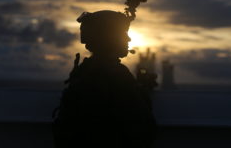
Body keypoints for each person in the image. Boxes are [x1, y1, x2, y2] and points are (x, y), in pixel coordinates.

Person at [52, 10, 157, 148]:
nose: (128, 39)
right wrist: (142, 93)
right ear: (108, 38)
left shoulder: (85, 69)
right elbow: (143, 128)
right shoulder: (116, 73)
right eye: (123, 34)